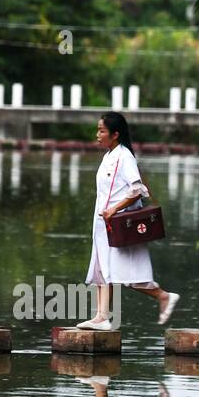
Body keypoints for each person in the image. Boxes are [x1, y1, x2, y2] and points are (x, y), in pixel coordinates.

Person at [77, 112, 179, 331]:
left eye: (102, 131)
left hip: (118, 224)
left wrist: (114, 209)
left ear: (115, 135)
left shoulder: (124, 157)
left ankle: (163, 296)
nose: (97, 135)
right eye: (98, 130)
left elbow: (137, 189)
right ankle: (101, 316)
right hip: (104, 224)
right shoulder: (109, 156)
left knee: (127, 275)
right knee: (101, 269)